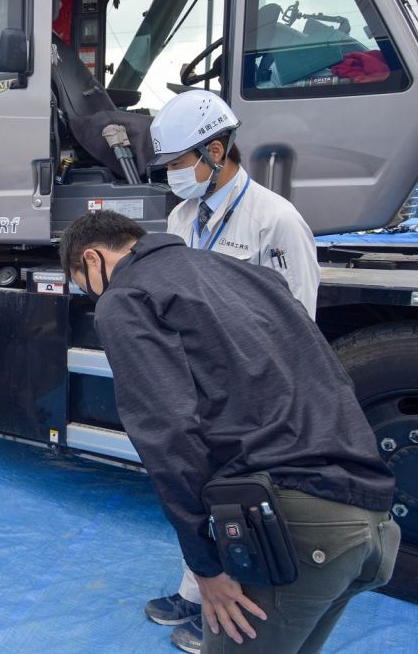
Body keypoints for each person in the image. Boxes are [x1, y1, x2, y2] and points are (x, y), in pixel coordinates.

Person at [60, 210, 399, 654]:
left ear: (92, 257)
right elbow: (328, 376)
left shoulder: (127, 296)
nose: (91, 295)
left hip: (295, 526)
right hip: (372, 522)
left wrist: (206, 566)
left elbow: (168, 434)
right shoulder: (248, 275)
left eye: (83, 283)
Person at [148, 89, 321, 652]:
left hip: (254, 393)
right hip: (195, 381)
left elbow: (301, 318)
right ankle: (193, 589)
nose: (173, 175)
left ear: (215, 151)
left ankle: (225, 613)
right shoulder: (180, 215)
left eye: (176, 164)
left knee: (240, 503)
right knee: (194, 489)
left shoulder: (277, 220)